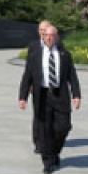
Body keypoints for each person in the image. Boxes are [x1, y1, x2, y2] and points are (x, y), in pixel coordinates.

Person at [18, 25, 81, 174]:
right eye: (46, 35)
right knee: (44, 130)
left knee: (63, 127)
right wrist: (23, 97)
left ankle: (54, 152)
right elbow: (27, 76)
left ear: (56, 37)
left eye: (52, 35)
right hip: (42, 95)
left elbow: (72, 76)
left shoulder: (65, 54)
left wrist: (76, 95)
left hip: (60, 95)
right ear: (42, 36)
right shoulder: (35, 55)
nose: (49, 38)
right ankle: (48, 161)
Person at [24, 20, 53, 153]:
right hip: (37, 87)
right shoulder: (33, 46)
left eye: (45, 29)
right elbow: (28, 69)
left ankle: (48, 138)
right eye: (40, 30)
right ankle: (38, 141)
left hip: (52, 88)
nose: (42, 32)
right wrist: (28, 85)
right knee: (38, 114)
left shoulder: (57, 45)